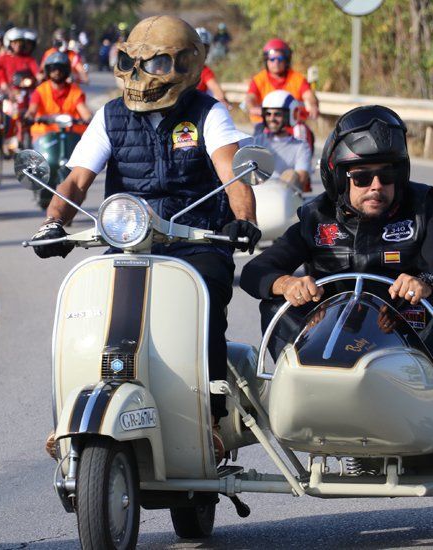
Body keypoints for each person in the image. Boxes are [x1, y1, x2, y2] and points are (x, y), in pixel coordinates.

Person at [31, 16, 259, 461]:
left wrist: (243, 220)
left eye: (155, 63)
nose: (139, 76)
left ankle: (210, 418)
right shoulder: (110, 116)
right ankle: (65, 419)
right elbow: (77, 180)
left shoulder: (208, 113)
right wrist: (52, 221)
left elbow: (233, 174)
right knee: (89, 316)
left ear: (187, 65)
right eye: (131, 64)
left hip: (198, 238)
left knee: (204, 307)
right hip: (130, 240)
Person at [240, 105, 433, 373]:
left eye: (387, 175)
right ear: (340, 179)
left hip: (408, 338)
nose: (377, 185)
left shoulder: (418, 212)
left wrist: (427, 282)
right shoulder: (316, 217)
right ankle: (295, 381)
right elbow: (255, 271)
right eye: (362, 176)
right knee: (276, 305)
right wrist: (287, 283)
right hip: (328, 337)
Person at [245, 38, 319, 124]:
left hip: (292, 123)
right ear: (266, 61)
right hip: (265, 124)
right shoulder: (259, 79)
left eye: (280, 58)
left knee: (306, 135)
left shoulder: (298, 79)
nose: (276, 62)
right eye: (272, 59)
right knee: (259, 136)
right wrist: (252, 108)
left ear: (286, 60)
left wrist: (313, 105)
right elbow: (250, 97)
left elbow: (309, 96)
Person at [251, 90, 312, 192]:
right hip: (259, 197)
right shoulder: (257, 141)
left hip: (285, 199)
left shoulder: (301, 146)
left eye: (277, 114)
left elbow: (301, 179)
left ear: (289, 116)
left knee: (291, 174)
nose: (272, 118)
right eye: (268, 114)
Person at [25, 51, 91, 140]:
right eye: (53, 68)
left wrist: (89, 119)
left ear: (67, 71)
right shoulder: (40, 90)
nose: (57, 72)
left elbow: (85, 113)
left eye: (61, 69)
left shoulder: (75, 91)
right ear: (48, 70)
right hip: (43, 140)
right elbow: (32, 111)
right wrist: (28, 117)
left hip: (70, 139)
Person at [194, 27, 230, 108]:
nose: (204, 52)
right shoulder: (181, 67)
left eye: (206, 48)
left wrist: (223, 100)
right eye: (201, 48)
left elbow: (216, 89)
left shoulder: (204, 71)